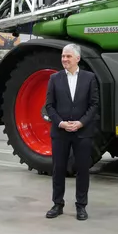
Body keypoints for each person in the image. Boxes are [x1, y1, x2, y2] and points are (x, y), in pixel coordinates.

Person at [44, 44, 99, 221]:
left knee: (82, 170)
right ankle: (57, 204)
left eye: (68, 56)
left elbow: (94, 105)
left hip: (82, 132)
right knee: (58, 168)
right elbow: (49, 106)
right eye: (63, 56)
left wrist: (81, 123)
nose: (64, 59)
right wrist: (60, 123)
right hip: (60, 132)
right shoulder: (54, 78)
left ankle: (81, 206)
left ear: (77, 58)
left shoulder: (90, 78)